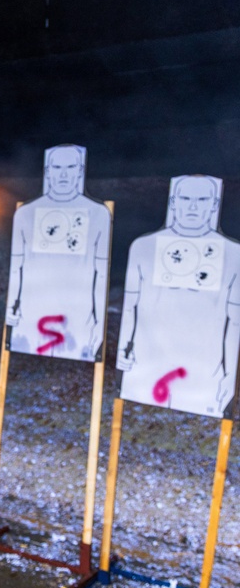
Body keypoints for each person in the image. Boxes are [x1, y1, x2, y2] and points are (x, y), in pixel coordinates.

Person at [117, 174, 240, 417]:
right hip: (148, 360)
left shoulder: (233, 254)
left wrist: (228, 377)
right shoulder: (144, 247)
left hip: (204, 366)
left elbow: (233, 320)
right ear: (174, 202)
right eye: (186, 198)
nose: (193, 207)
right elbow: (131, 305)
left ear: (214, 204)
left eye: (202, 199)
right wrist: (124, 349)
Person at [4, 144, 112, 360]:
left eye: (70, 167)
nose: (63, 174)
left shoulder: (98, 214)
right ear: (48, 171)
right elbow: (17, 269)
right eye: (57, 167)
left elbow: (100, 276)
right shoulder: (26, 213)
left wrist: (97, 323)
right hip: (35, 308)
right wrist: (12, 309)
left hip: (77, 313)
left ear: (79, 171)